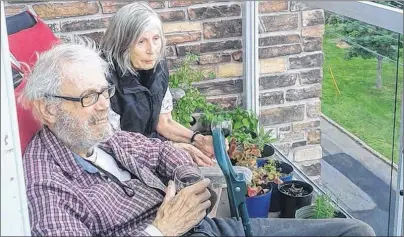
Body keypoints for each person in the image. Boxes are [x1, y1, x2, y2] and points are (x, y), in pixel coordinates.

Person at [21, 40, 375, 237]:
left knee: (356, 232)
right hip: (173, 231)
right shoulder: (45, 186)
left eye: (103, 92)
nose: (102, 107)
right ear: (49, 109)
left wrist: (189, 182)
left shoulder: (97, 136)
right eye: (88, 98)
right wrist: (161, 229)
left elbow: (161, 151)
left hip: (206, 226)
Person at [101, 2, 215, 167]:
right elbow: (113, 143)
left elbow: (164, 122)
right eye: (141, 42)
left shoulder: (156, 69)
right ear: (122, 45)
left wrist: (197, 139)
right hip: (118, 161)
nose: (152, 50)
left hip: (150, 148)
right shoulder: (103, 80)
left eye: (156, 39)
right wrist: (169, 149)